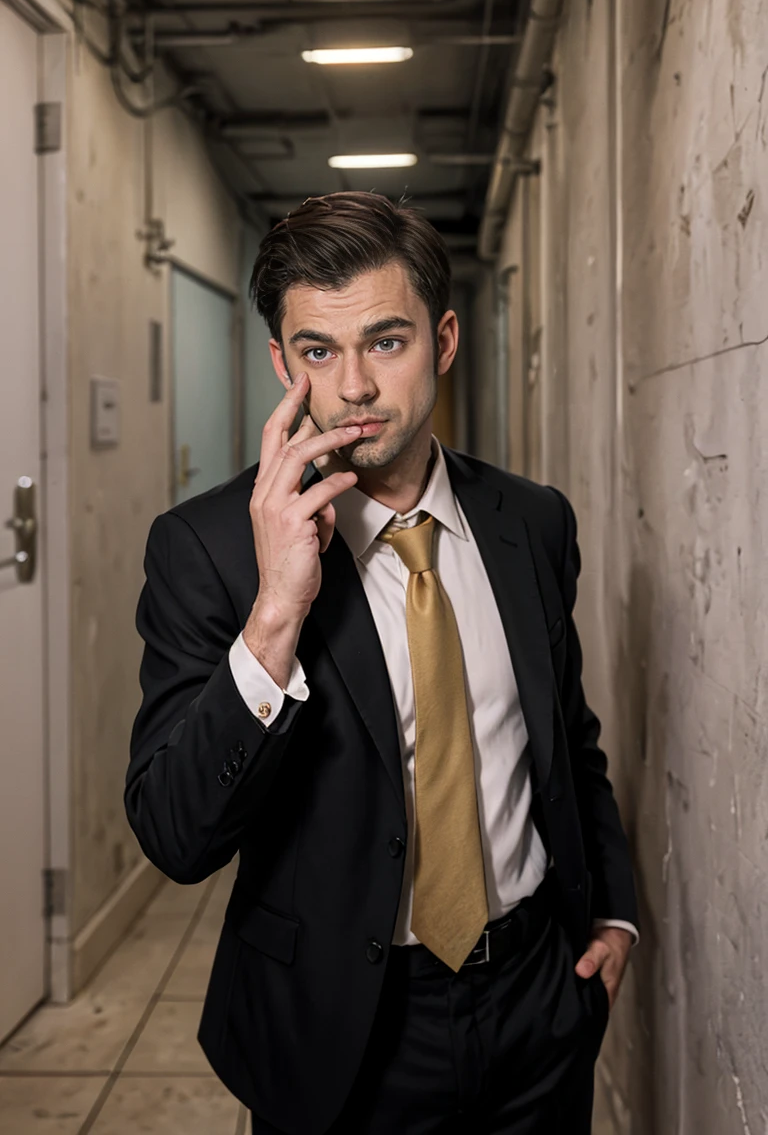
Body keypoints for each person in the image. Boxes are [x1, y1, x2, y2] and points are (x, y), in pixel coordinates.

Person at [125, 190, 638, 1135]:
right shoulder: (205, 549)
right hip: (338, 1031)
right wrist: (277, 609)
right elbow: (176, 835)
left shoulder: (532, 520)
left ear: (443, 341)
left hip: (538, 998)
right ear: (283, 364)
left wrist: (612, 914)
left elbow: (566, 733)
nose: (353, 386)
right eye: (319, 351)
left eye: (386, 341)